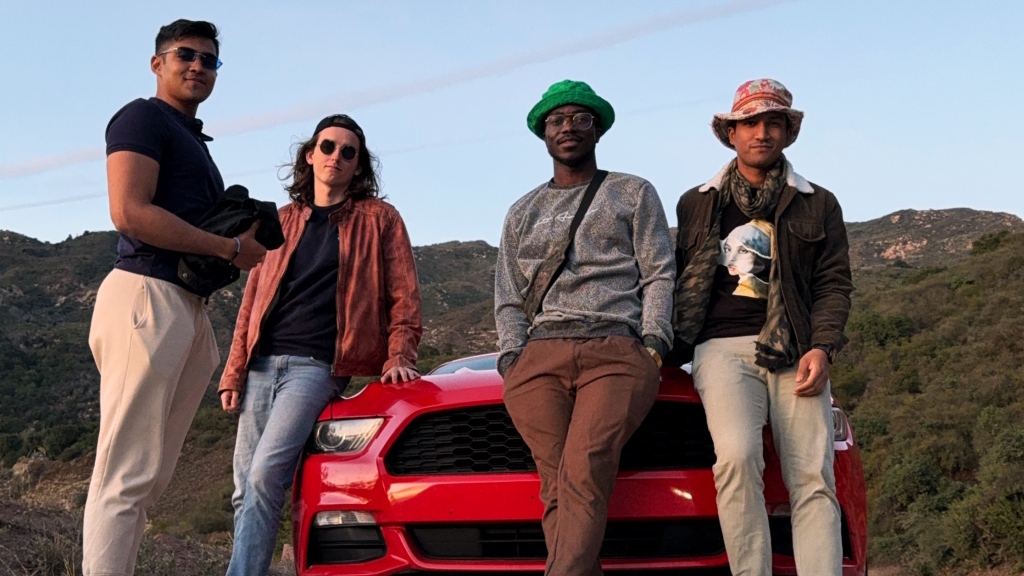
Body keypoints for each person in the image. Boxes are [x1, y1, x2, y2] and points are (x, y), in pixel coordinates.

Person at [83, 19, 266, 576]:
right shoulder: (141, 117)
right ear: (157, 63)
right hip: (147, 295)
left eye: (210, 60)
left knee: (152, 477)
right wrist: (230, 245)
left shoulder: (192, 139)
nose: (198, 66)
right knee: (126, 473)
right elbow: (129, 212)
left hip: (187, 307)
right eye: (185, 55)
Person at [219, 113, 422, 575]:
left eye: (348, 152)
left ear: (358, 166)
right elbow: (250, 304)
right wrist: (233, 372)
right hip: (261, 366)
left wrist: (399, 355)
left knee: (265, 476)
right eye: (328, 147)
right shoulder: (281, 221)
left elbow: (404, 294)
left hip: (316, 366)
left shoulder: (379, 219)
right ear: (310, 156)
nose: (337, 157)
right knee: (243, 489)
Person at [669, 78, 853, 575]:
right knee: (735, 458)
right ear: (732, 133)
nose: (762, 133)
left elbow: (834, 284)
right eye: (751, 122)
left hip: (796, 350)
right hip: (721, 348)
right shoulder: (696, 202)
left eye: (774, 123)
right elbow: (677, 279)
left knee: (812, 477)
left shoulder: (818, 202)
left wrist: (822, 346)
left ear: (788, 133)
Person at [495, 80, 675, 576]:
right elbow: (508, 296)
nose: (568, 127)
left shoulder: (633, 192)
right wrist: (513, 358)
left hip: (616, 347)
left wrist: (655, 342)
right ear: (543, 134)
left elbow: (659, 270)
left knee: (583, 469)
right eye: (557, 120)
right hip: (538, 356)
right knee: (557, 483)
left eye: (580, 118)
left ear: (598, 129)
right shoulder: (521, 211)